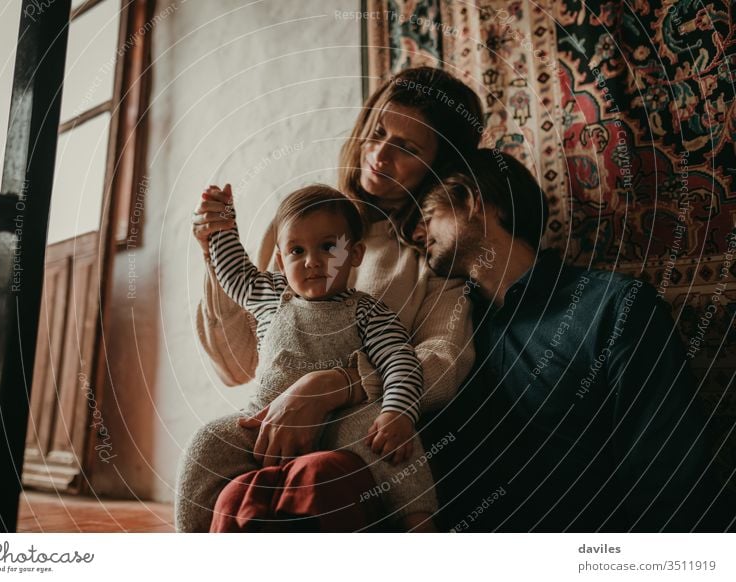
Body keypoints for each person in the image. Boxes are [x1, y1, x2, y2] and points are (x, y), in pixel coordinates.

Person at [178, 66, 485, 532]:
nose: (380, 156)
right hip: (268, 431)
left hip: (355, 445)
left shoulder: (435, 256)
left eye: (407, 148)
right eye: (377, 132)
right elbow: (235, 365)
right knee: (226, 481)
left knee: (317, 478)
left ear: (438, 166)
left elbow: (442, 365)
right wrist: (214, 250)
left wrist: (336, 386)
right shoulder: (300, 222)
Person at [414, 149, 714, 531]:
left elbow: (669, 478)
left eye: (428, 216)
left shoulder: (614, 308)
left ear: (472, 201)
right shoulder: (447, 333)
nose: (417, 235)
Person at [179, 183, 440, 532]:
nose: (312, 261)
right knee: (207, 441)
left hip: (342, 423)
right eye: (297, 250)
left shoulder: (368, 312)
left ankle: (420, 524)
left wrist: (398, 412)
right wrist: (222, 229)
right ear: (279, 261)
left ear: (356, 254)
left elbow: (399, 361)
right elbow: (234, 273)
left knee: (389, 441)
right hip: (264, 420)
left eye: (328, 247)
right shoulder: (270, 293)